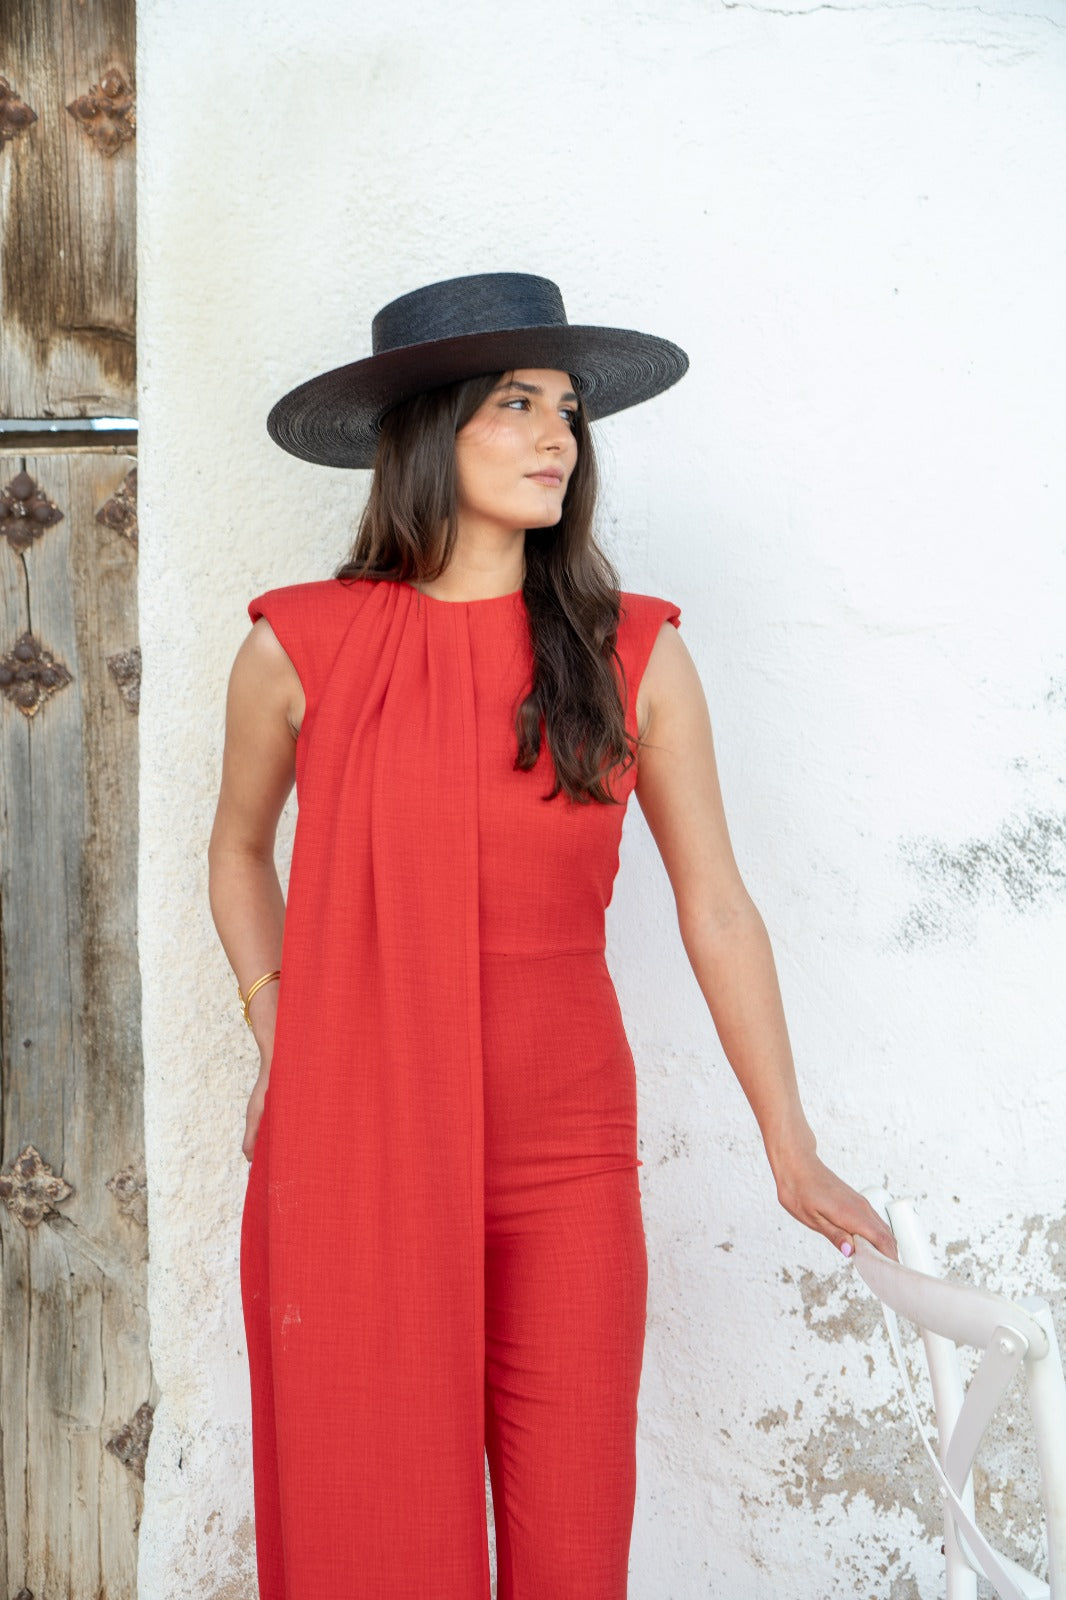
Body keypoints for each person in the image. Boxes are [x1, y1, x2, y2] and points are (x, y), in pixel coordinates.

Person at [207, 271, 896, 1600]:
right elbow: (236, 851)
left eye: (568, 411)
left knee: (573, 1536)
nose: (556, 438)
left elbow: (715, 905)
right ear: (427, 431)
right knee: (374, 1534)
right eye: (515, 405)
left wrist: (790, 1144)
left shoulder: (633, 652)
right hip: (357, 1137)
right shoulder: (300, 643)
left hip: (564, 1153)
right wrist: (284, 1032)